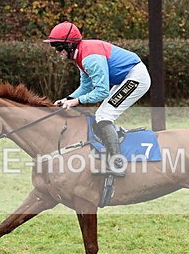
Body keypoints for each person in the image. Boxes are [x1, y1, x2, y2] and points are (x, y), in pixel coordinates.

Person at [46, 21, 151, 176]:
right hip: (126, 77)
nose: (55, 50)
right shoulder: (80, 54)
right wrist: (68, 98)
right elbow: (86, 86)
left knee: (103, 116)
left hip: (136, 78)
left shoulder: (89, 58)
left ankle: (117, 164)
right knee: (100, 117)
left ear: (69, 45)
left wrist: (76, 102)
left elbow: (101, 92)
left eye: (58, 46)